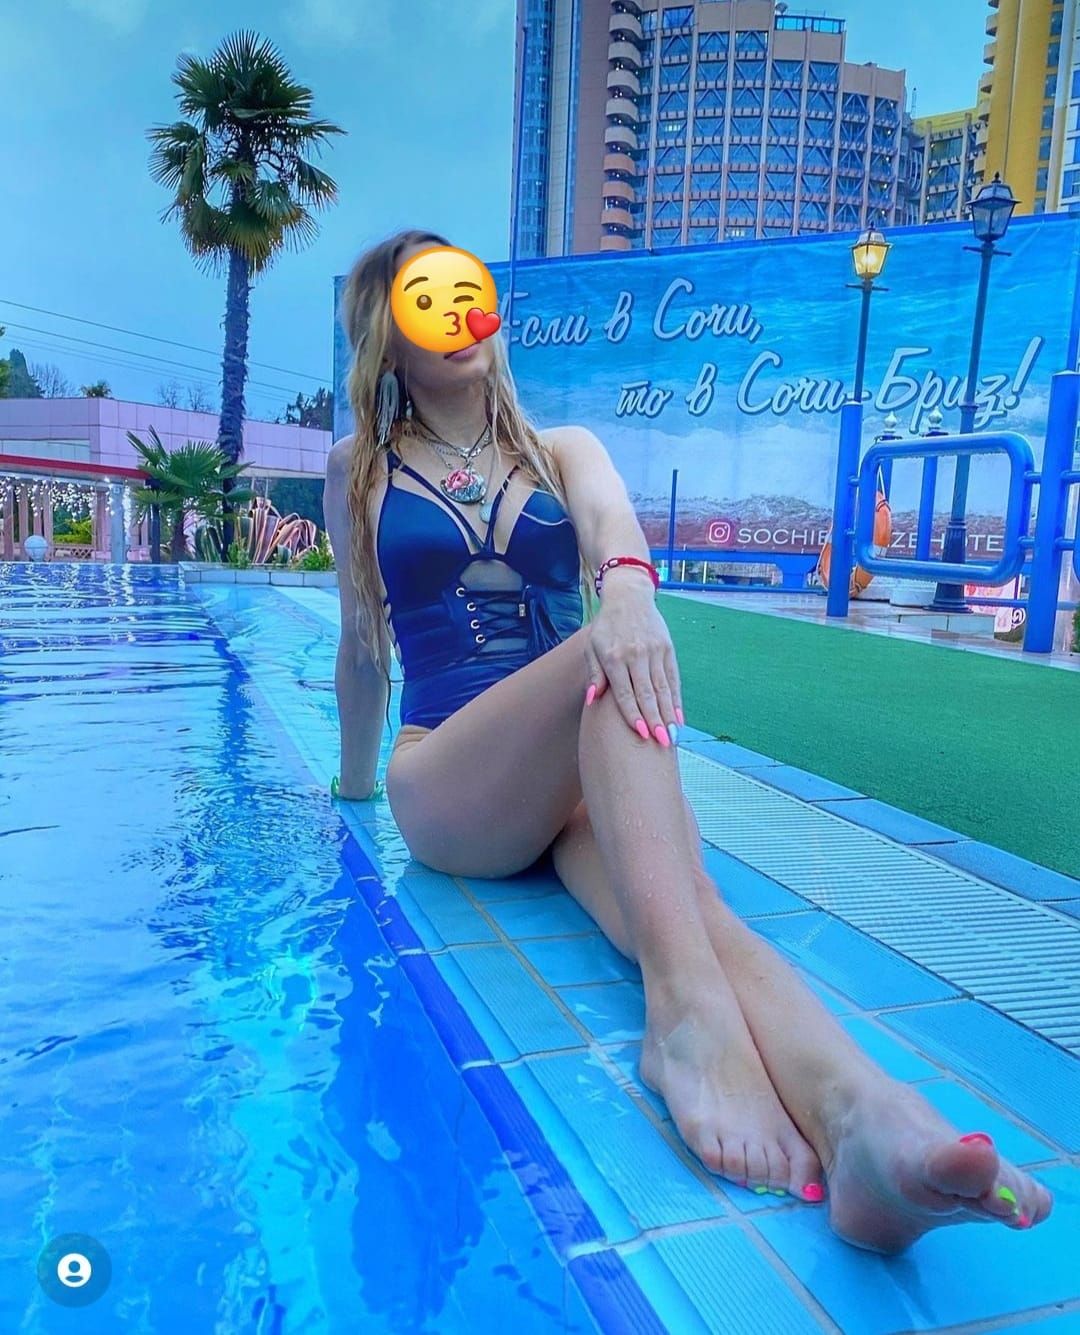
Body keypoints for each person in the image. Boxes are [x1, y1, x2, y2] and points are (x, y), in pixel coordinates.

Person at [324, 229, 1052, 1255]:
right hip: (451, 782)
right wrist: (351, 791)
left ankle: (867, 1120)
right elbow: (363, 646)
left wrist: (626, 590)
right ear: (388, 339)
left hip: (574, 777)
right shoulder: (358, 469)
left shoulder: (563, 450)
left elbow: (614, 528)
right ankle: (684, 1023)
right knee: (604, 660)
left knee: (693, 907)